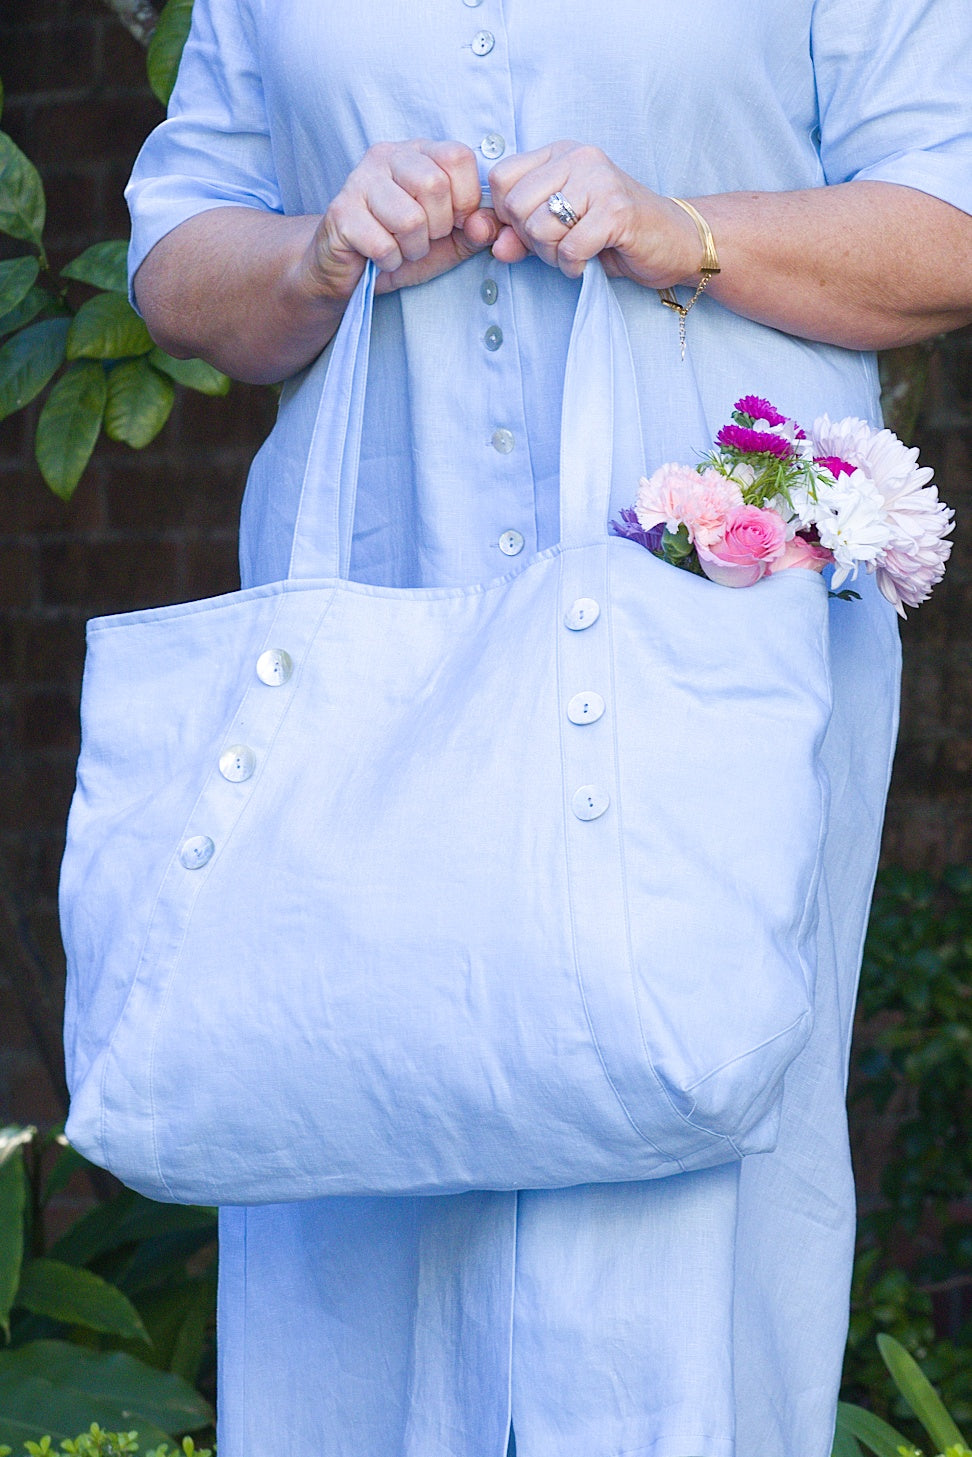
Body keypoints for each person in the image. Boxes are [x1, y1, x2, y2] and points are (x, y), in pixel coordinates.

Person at [124, 1, 972, 1453]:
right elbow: (176, 262)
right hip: (375, 650)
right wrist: (314, 254)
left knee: (697, 1197)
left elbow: (947, 222)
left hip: (712, 656)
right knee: (360, 1144)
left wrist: (679, 226)